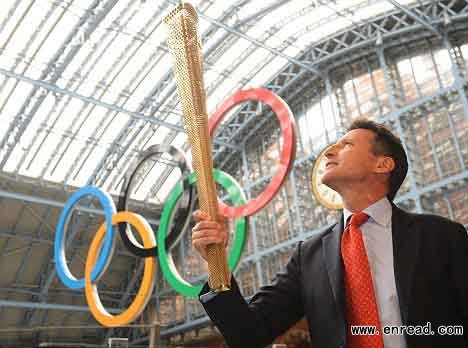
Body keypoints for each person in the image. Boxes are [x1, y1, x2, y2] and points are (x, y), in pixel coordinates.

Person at [191, 118, 468, 348]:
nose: (329, 152)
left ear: (383, 165)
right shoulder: (309, 257)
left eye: (346, 144)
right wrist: (216, 262)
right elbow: (248, 335)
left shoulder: (441, 237)